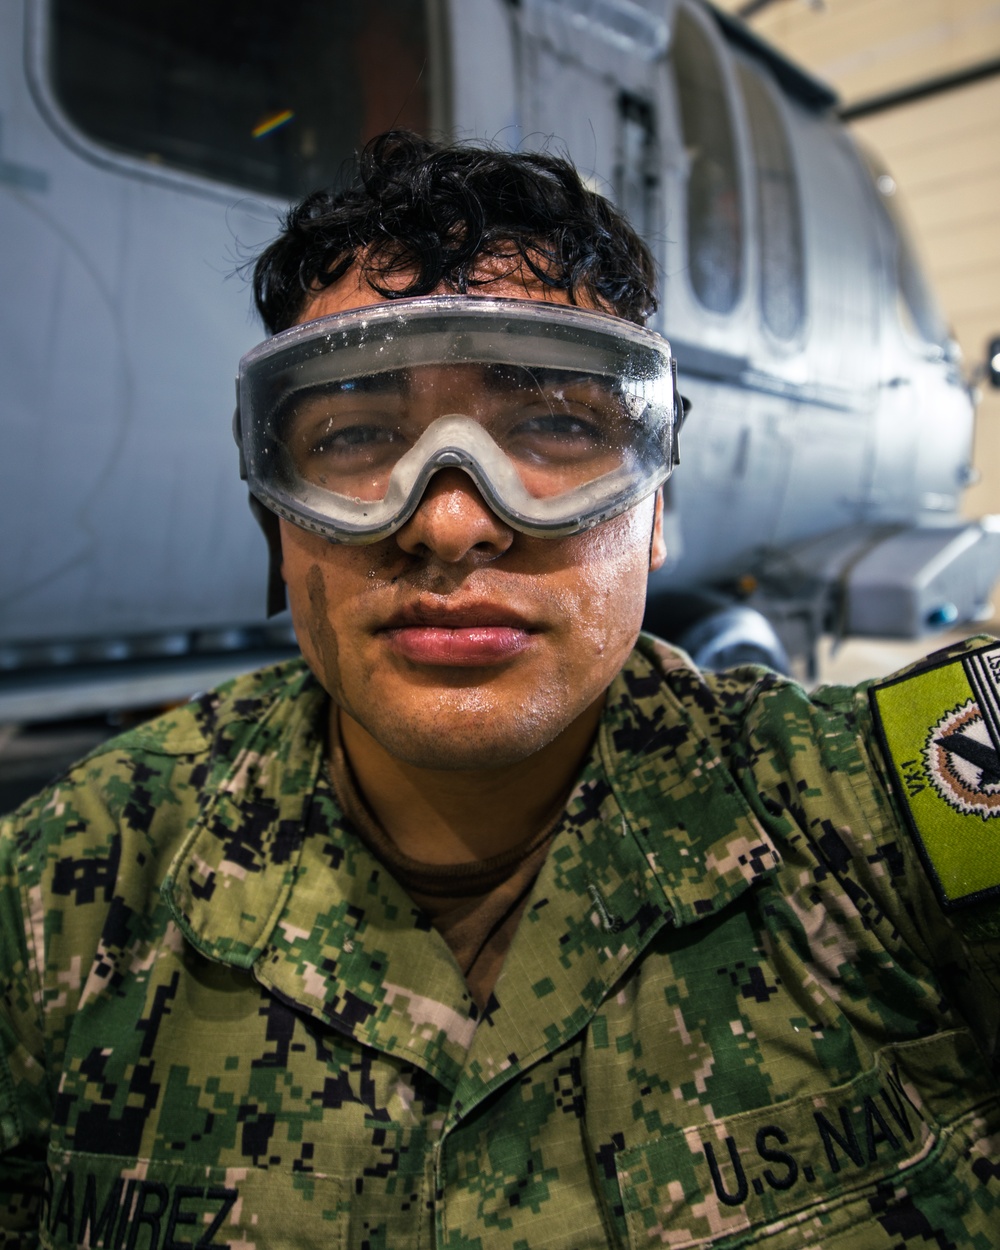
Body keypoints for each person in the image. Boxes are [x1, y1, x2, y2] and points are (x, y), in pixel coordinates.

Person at [1, 131, 998, 1249]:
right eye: (356, 436)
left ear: (656, 505)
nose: (451, 518)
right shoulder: (70, 888)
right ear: (275, 520)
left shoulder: (884, 826)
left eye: (557, 426)